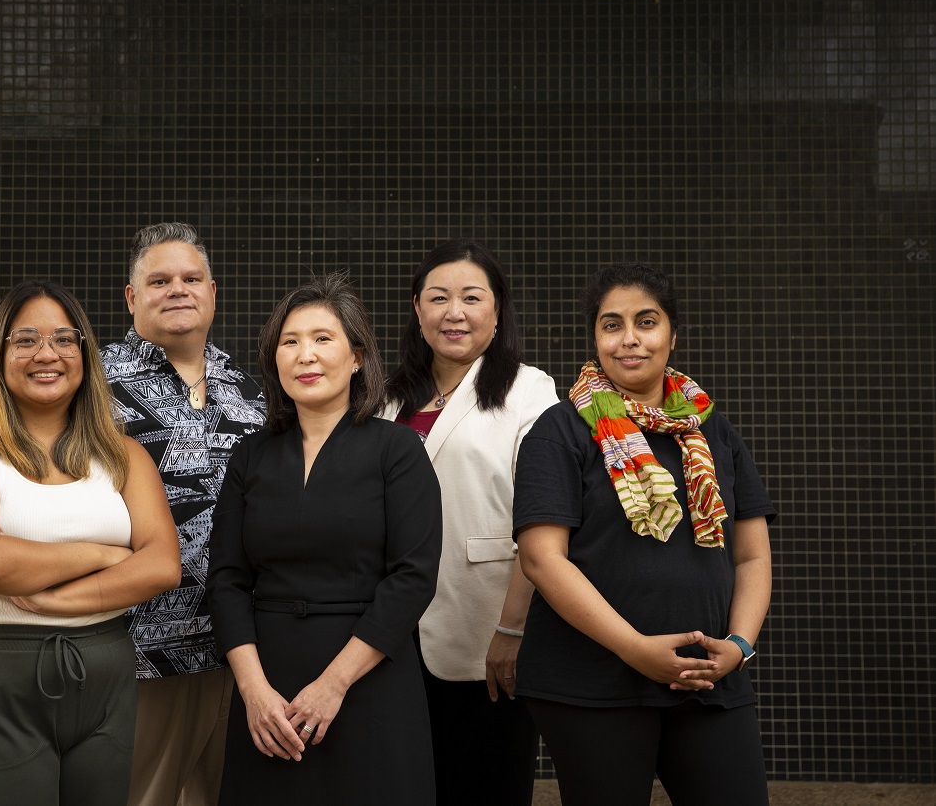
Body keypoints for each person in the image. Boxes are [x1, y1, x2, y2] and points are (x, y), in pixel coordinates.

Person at [512, 263, 776, 806]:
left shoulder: (711, 429)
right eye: (612, 325)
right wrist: (635, 649)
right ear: (595, 338)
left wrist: (740, 647)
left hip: (708, 681)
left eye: (646, 322)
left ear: (672, 336)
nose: (629, 339)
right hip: (591, 684)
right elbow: (543, 560)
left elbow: (749, 556)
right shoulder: (560, 431)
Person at [0, 280, 182, 806]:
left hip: (106, 671)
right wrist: (106, 556)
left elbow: (162, 567)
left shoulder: (123, 454)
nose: (48, 354)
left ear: (84, 353)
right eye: (26, 340)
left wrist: (51, 595)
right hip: (3, 677)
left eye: (65, 339)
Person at [206, 274, 442, 805]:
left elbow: (413, 578)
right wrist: (253, 692)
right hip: (268, 688)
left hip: (368, 679)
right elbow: (226, 579)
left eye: (322, 339)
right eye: (290, 342)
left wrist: (333, 686)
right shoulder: (251, 456)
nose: (305, 355)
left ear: (357, 357)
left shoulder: (397, 451)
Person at [381, 238, 558, 806]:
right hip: (391, 628)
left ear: (497, 308)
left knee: (486, 782)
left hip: (485, 623)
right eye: (438, 297)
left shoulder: (531, 391)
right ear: (416, 308)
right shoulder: (388, 396)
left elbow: (542, 523)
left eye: (471, 297)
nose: (453, 312)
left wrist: (512, 631)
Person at [101, 223, 266, 806]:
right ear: (131, 296)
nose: (178, 290)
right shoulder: (92, 384)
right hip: (136, 644)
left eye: (191, 278)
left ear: (213, 292)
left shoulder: (250, 389)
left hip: (240, 645)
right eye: (160, 280)